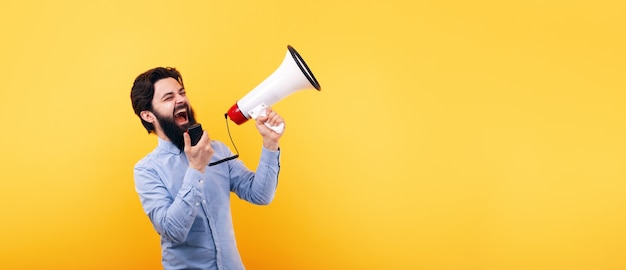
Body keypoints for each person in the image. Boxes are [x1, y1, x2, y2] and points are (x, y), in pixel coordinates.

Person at [130, 67, 283, 270]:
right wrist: (196, 168)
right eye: (168, 98)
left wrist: (270, 143)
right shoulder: (147, 170)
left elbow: (260, 195)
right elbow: (173, 230)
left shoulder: (217, 150)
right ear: (148, 115)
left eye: (182, 93)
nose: (181, 100)